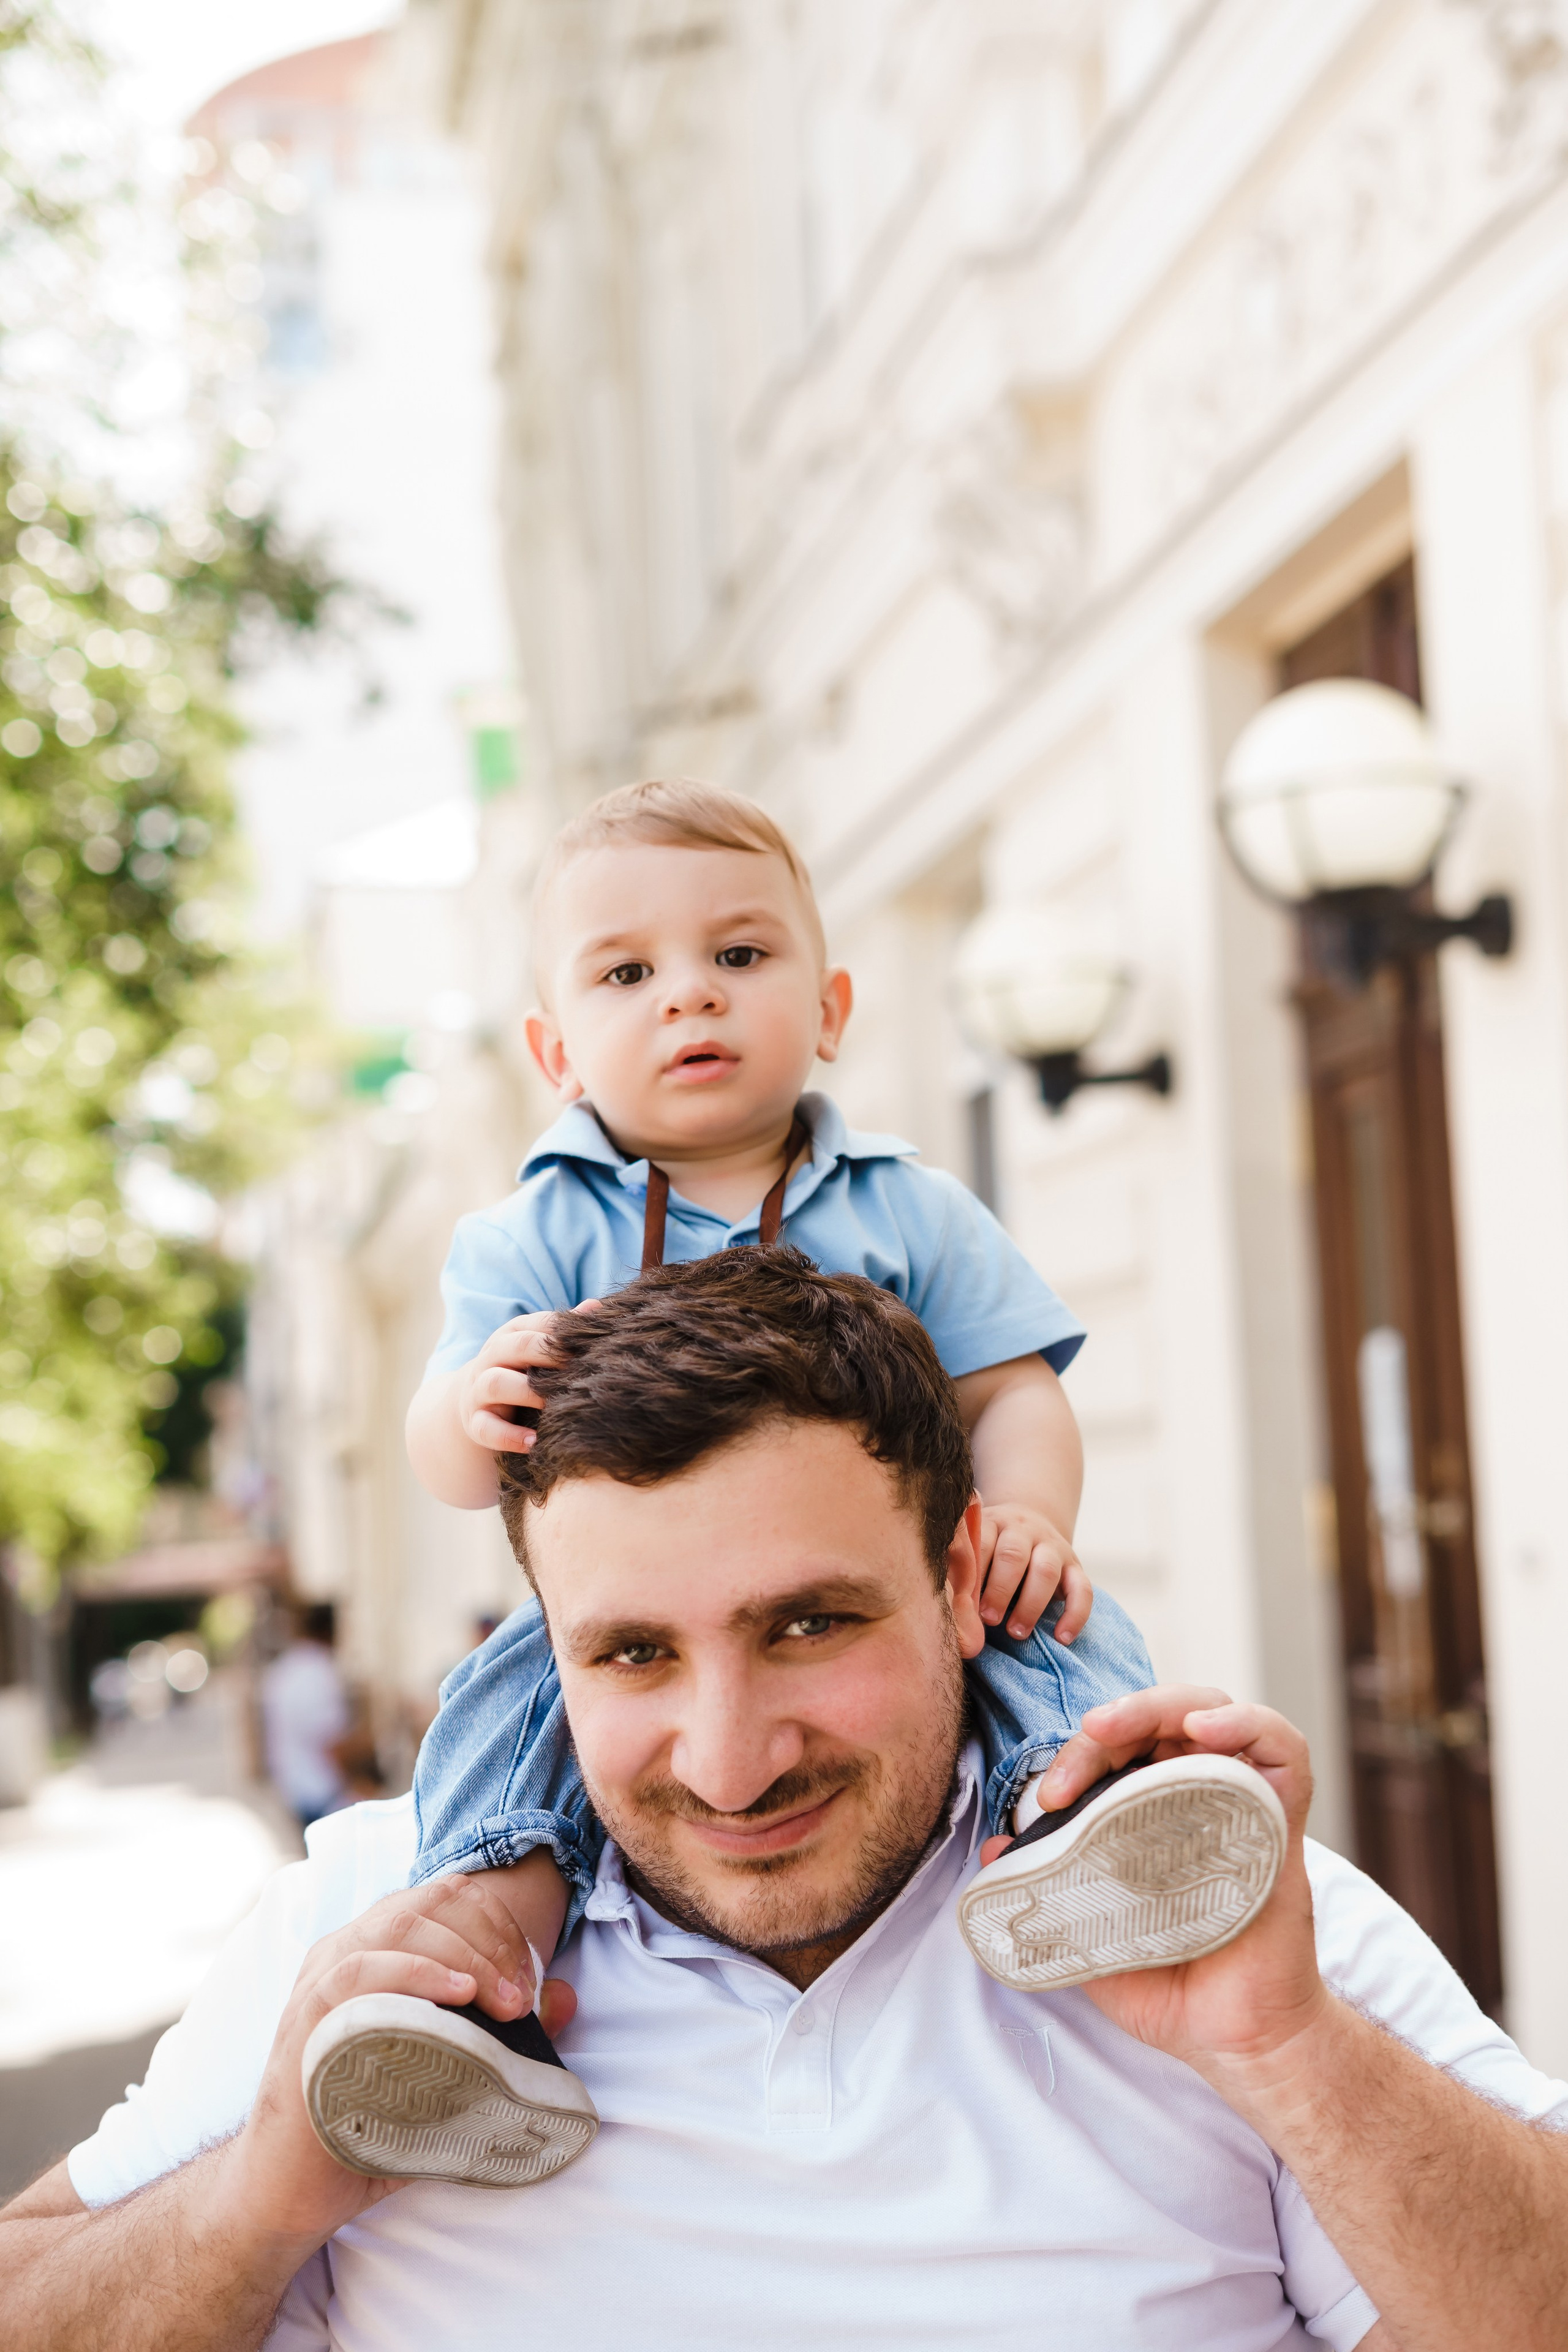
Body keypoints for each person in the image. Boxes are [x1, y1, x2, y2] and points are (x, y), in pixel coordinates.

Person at [4, 1253, 1565, 2352]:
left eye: (807, 1623)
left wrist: (1289, 2052)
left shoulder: (1206, 1898)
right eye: (629, 1653)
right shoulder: (368, 1936)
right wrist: (256, 2203)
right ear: (538, 1660)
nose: (728, 1758)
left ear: (963, 1583)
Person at [385, 777, 1225, 2167]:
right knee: (505, 1710)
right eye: (625, 972)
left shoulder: (902, 1201)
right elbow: (452, 1463)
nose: (687, 998)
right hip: (630, 1613)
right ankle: (484, 1964)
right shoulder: (529, 1234)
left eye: (737, 954)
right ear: (554, 1049)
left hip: (900, 1579)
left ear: (828, 1007)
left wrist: (1024, 1514)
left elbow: (1010, 1387)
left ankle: (1071, 1823)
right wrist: (470, 1408)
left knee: (1054, 1630)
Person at [260, 1602, 350, 1834]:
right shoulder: (320, 1672)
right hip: (321, 1791)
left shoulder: (283, 1669)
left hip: (292, 1786)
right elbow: (330, 1740)